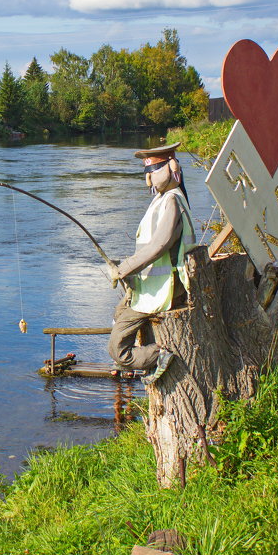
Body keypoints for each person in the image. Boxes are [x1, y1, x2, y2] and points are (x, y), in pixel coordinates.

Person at [105, 143, 195, 384]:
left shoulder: (172, 201)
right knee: (119, 311)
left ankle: (158, 356)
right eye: (146, 173)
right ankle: (143, 357)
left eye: (153, 171)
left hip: (165, 289)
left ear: (171, 168)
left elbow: (159, 244)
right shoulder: (164, 199)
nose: (148, 180)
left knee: (117, 350)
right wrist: (125, 269)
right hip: (152, 286)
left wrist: (124, 269)